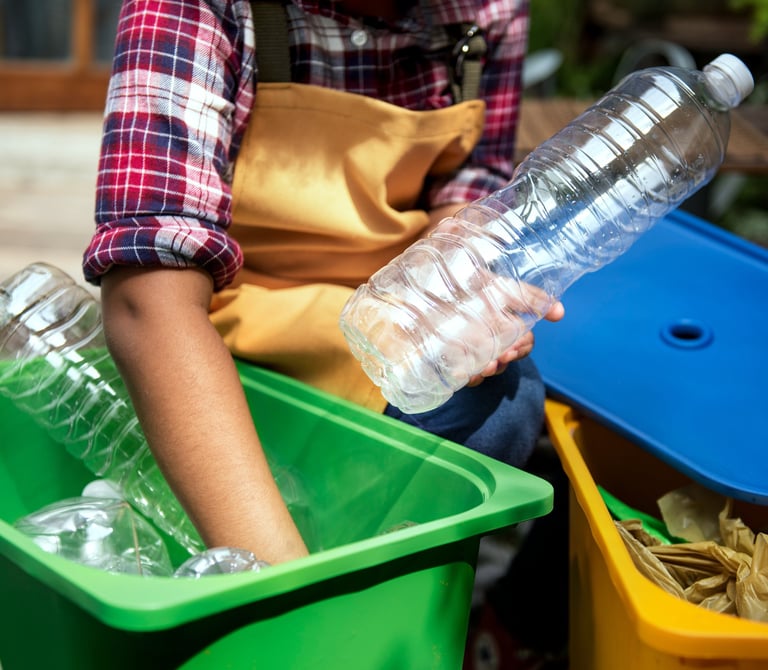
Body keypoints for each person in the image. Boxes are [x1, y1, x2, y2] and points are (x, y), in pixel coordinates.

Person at [83, 0, 564, 571]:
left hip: (381, 314)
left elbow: (468, 184)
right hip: (224, 327)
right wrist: (280, 582)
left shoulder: (487, 11)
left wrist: (457, 288)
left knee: (503, 403)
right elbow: (147, 300)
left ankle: (361, 565)